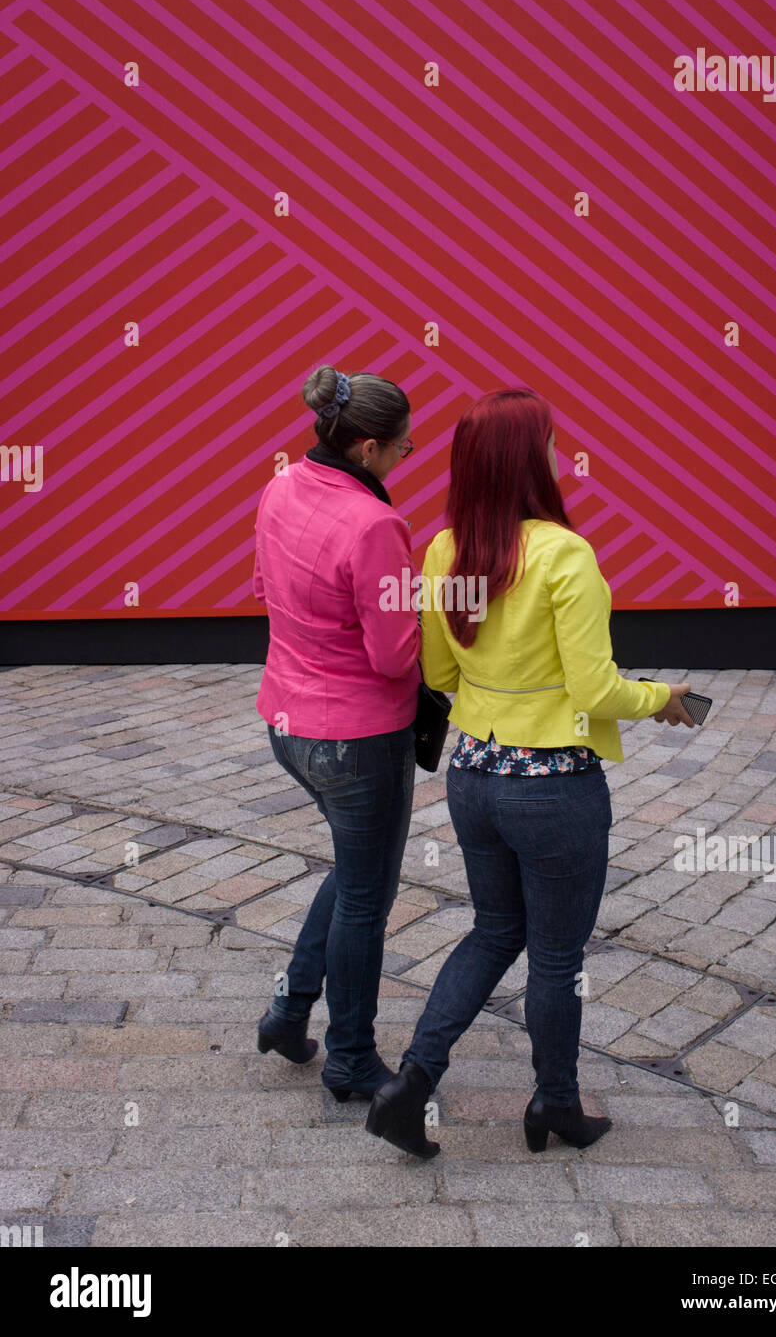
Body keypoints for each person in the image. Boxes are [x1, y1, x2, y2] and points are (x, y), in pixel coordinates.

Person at [366, 388, 694, 1158]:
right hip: (554, 787)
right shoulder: (563, 554)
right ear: (525, 460)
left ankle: (411, 1083)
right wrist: (664, 699)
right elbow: (594, 689)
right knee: (554, 956)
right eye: (549, 442)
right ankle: (554, 1104)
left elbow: (440, 669)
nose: (557, 455)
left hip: (474, 777)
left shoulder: (444, 550)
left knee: (492, 931)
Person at [254, 364, 420, 1101]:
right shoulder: (376, 523)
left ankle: (290, 1012)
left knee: (353, 875)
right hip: (359, 739)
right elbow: (394, 656)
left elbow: (267, 592)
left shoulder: (280, 486)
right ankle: (351, 1057)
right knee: (365, 895)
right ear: (366, 450)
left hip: (287, 724)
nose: (404, 458)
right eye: (402, 449)